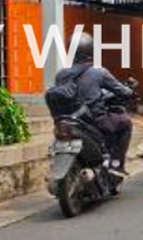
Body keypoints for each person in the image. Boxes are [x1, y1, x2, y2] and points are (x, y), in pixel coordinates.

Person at [49, 34, 136, 175]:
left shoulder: (61, 75)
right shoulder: (99, 72)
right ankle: (116, 165)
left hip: (69, 121)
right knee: (125, 123)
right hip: (94, 121)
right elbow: (121, 90)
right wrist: (130, 92)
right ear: (91, 51)